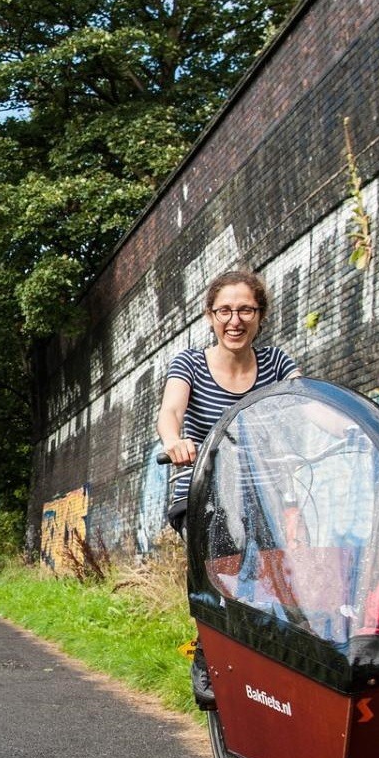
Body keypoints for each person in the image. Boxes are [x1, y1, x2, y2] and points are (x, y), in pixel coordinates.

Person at [154, 268, 300, 708]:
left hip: (263, 492)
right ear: (210, 315)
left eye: (245, 310)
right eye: (225, 311)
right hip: (202, 488)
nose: (235, 320)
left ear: (260, 316)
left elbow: (304, 401)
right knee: (224, 561)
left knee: (285, 573)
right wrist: (174, 442)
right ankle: (206, 650)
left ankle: (279, 668)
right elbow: (170, 410)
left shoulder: (276, 364)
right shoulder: (190, 364)